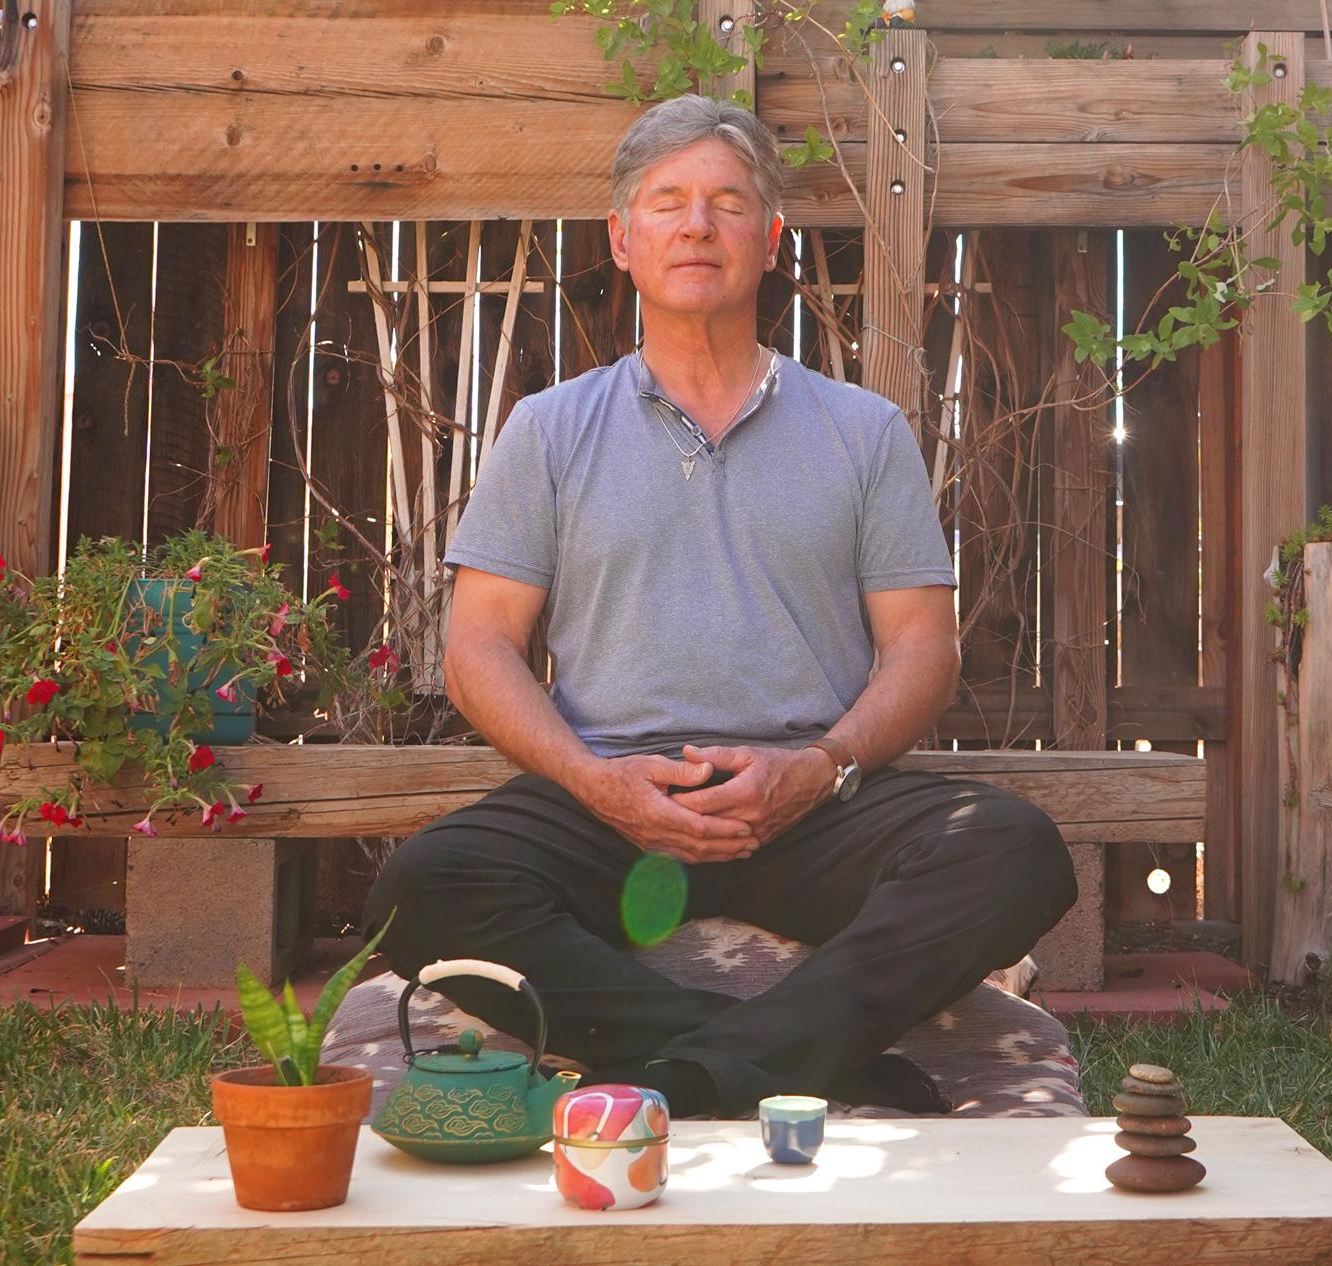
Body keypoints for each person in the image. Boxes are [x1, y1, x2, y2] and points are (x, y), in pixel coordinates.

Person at [361, 94, 1077, 1118]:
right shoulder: (549, 429)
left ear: (770, 241)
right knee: (422, 885)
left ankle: (685, 1075)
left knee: (1010, 848)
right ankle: (777, 1064)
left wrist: (819, 767)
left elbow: (921, 652)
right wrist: (593, 782)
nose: (697, 225)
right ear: (623, 239)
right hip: (610, 811)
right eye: (668, 203)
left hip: (813, 810)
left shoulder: (862, 432)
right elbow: (479, 647)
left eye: (727, 204)